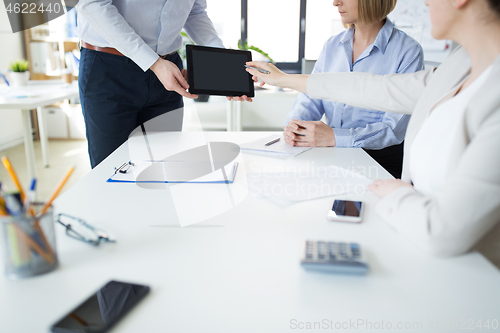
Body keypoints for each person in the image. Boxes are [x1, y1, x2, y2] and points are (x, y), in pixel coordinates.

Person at [246, 0, 500, 267]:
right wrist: (284, 81)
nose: (424, 2)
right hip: (413, 240)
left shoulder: (415, 53)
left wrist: (396, 192)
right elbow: (373, 88)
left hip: (465, 270)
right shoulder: (456, 66)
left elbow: (442, 230)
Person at [75, 0, 252, 168]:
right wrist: (153, 63)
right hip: (109, 69)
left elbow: (195, 12)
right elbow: (91, 3)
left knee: (163, 169)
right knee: (112, 171)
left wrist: (221, 62)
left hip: (167, 71)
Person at [285, 0, 424, 178]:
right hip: (330, 154)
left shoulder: (408, 51)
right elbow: (311, 97)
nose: (335, 3)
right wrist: (295, 125)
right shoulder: (332, 46)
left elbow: (393, 128)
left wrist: (335, 137)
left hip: (380, 162)